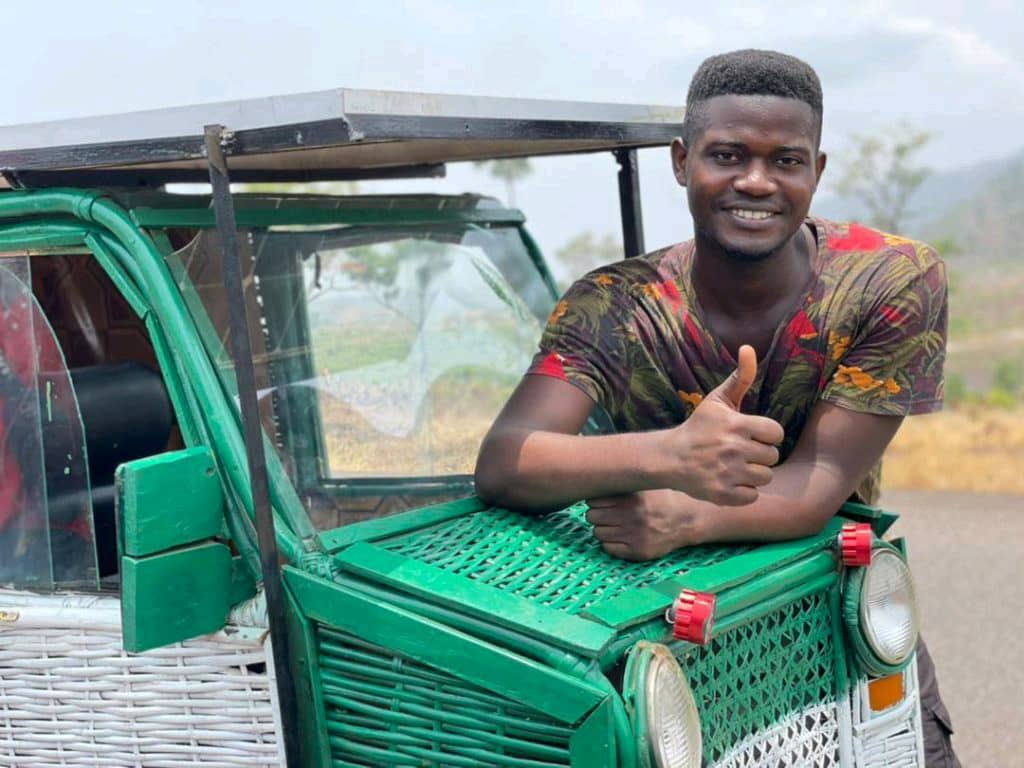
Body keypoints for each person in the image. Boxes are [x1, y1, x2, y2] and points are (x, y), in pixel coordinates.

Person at [475, 49, 958, 767]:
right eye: (727, 155)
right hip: (673, 640)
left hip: (833, 608)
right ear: (681, 161)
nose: (755, 182)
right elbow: (506, 461)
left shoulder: (887, 282)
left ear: (817, 171)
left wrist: (684, 513)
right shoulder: (615, 307)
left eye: (785, 160)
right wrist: (666, 453)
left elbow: (814, 485)